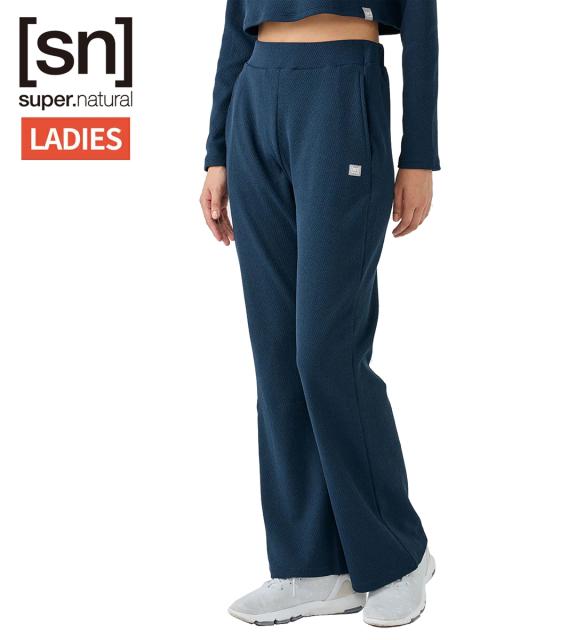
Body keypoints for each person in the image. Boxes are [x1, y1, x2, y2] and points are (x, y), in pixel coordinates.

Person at [199, 1, 439, 628]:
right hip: (257, 94)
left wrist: (419, 154)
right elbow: (235, 26)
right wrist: (217, 151)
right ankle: (310, 565)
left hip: (342, 90)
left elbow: (422, 25)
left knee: (326, 354)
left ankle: (398, 558)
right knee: (277, 355)